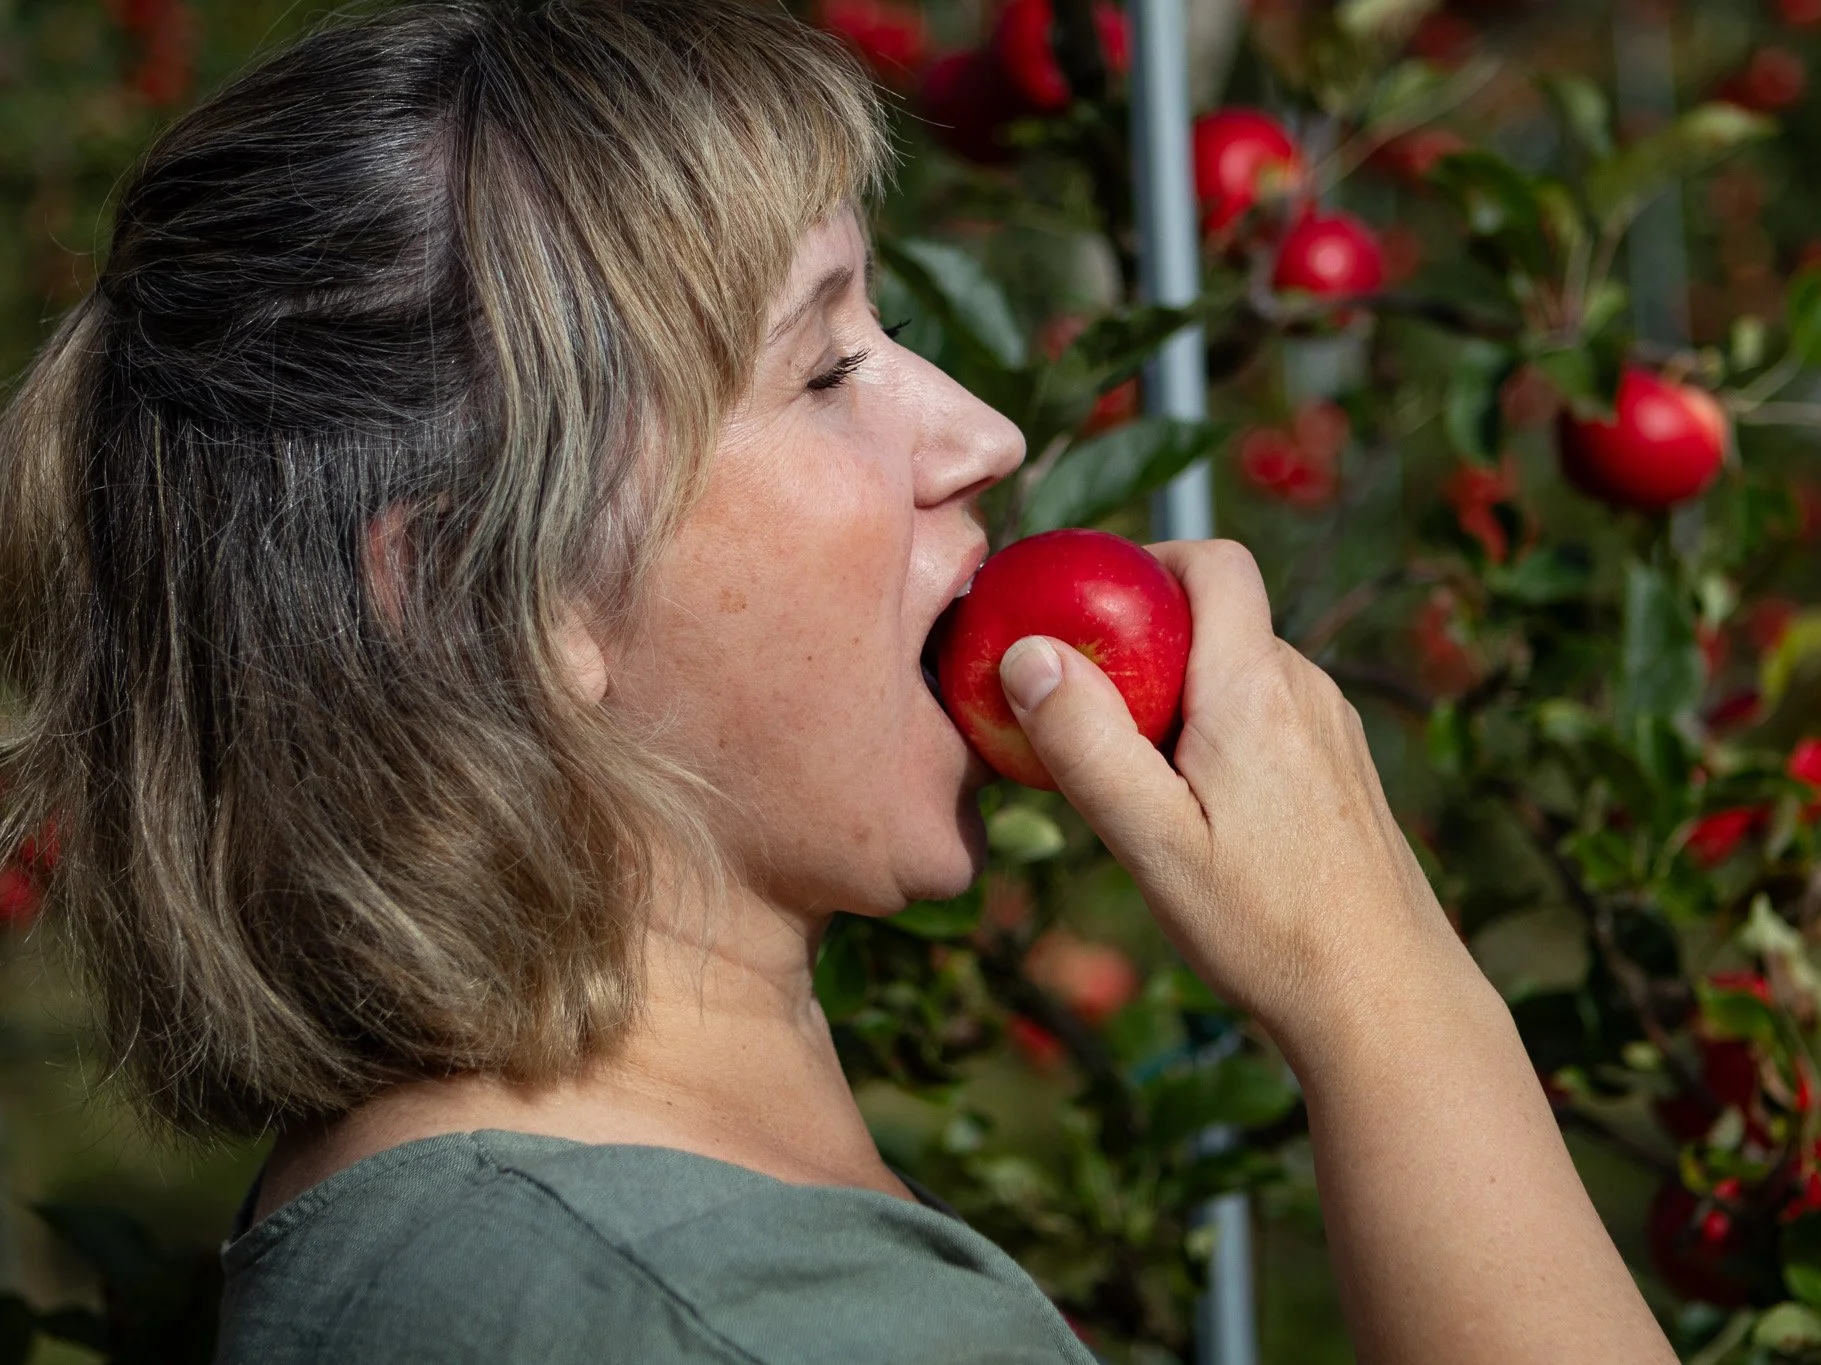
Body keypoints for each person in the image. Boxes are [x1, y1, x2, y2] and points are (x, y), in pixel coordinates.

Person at [0, 1, 1678, 1361]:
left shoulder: (505, 1248)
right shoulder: (706, 1315)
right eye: (825, 367)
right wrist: (1390, 1004)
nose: (986, 435)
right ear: (483, 588)